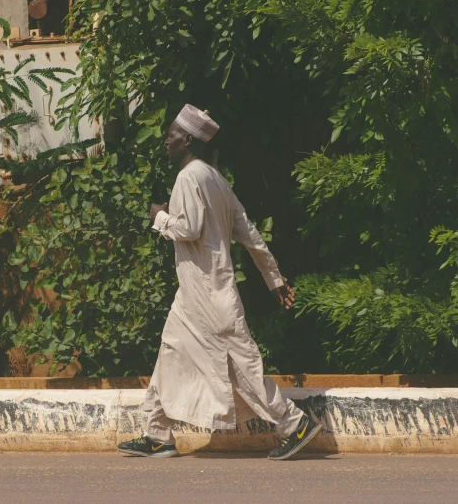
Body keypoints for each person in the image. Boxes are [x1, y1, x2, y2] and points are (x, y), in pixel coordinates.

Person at [117, 104, 322, 460]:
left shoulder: (188, 178)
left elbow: (188, 229)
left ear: (189, 139)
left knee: (243, 368)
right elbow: (250, 233)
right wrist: (272, 278)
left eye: (171, 136)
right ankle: (157, 434)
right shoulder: (217, 179)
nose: (166, 142)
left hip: (209, 296)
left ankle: (295, 425)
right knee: (169, 354)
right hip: (195, 295)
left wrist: (159, 216)